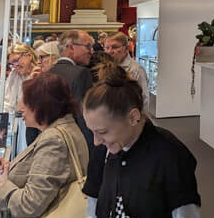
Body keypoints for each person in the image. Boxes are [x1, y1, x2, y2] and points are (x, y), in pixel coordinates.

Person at [82, 63, 202, 218]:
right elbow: (93, 204)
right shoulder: (103, 150)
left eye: (102, 132)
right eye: (92, 132)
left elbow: (185, 213)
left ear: (133, 117)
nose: (96, 142)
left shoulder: (170, 154)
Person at [0, 73, 89, 217]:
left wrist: (3, 184)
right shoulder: (65, 128)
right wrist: (8, 170)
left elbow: (29, 205)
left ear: (41, 105)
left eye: (26, 103)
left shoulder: (53, 139)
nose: (20, 109)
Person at [103, 32, 148, 102]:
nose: (110, 51)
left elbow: (143, 99)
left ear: (126, 49)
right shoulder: (104, 67)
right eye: (107, 48)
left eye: (114, 47)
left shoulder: (136, 69)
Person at [0, 44, 39, 114]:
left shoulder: (40, 74)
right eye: (12, 63)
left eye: (16, 60)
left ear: (29, 56)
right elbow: (7, 101)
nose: (15, 65)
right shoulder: (14, 75)